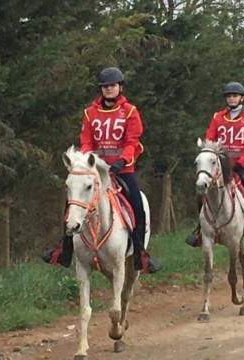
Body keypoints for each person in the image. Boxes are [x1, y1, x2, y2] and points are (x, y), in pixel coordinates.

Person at [41, 66, 162, 274]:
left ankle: (140, 254)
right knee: (73, 202)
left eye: (112, 86)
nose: (108, 89)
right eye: (105, 86)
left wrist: (121, 161)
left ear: (120, 87)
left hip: (122, 170)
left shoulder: (130, 112)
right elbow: (86, 142)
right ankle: (65, 249)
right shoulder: (90, 113)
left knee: (137, 206)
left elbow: (132, 142)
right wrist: (89, 162)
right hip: (95, 170)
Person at [185, 81, 244, 251]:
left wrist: (242, 162)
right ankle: (200, 229)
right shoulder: (218, 117)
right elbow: (210, 139)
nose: (231, 99)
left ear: (241, 98)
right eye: (229, 96)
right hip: (219, 166)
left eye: (234, 96)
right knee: (201, 193)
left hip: (241, 165)